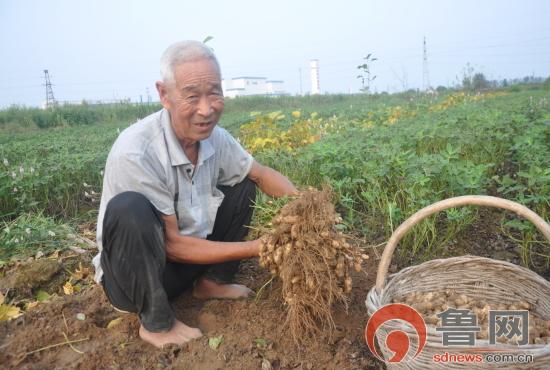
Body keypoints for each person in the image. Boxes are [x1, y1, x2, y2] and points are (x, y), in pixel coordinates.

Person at [91, 40, 298, 348]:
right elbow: (172, 246)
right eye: (192, 96)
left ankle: (211, 282)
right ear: (164, 95)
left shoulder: (217, 139)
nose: (206, 108)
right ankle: (156, 323)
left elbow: (261, 174)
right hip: (137, 279)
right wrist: (261, 247)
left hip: (188, 263)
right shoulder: (137, 151)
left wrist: (306, 206)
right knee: (129, 209)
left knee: (243, 183)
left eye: (214, 92)